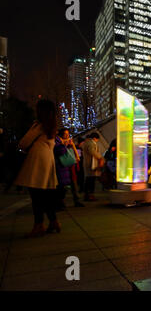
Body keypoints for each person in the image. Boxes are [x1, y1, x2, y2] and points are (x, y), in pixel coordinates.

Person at [15, 99, 60, 237]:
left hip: (37, 160)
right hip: (47, 160)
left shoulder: (38, 125)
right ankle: (53, 222)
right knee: (45, 195)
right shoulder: (52, 126)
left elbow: (24, 142)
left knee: (36, 195)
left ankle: (39, 224)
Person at [54, 128, 84, 210]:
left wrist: (72, 146)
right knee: (62, 186)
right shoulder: (57, 141)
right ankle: (61, 202)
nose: (67, 136)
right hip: (62, 166)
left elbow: (74, 151)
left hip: (70, 165)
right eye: (65, 134)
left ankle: (76, 200)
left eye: (68, 134)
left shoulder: (68, 142)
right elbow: (60, 151)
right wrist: (65, 144)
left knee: (73, 183)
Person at [82, 132, 104, 201]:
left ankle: (88, 195)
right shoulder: (90, 143)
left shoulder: (87, 142)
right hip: (90, 164)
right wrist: (101, 157)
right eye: (97, 139)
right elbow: (92, 151)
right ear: (94, 138)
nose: (97, 141)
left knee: (89, 180)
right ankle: (89, 195)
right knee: (90, 180)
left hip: (90, 163)